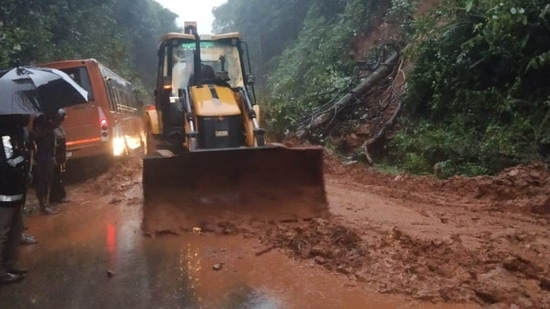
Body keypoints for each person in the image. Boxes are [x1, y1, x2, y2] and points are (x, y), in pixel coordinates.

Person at [0, 114, 32, 284]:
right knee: (3, 233)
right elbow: (7, 162)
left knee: (14, 231)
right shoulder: (4, 134)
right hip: (5, 191)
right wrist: (23, 158)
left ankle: (10, 264)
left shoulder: (15, 133)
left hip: (16, 189)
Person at [31, 112, 61, 215]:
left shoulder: (48, 121)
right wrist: (50, 127)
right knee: (42, 181)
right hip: (42, 157)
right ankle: (43, 205)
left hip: (49, 155)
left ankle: (46, 203)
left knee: (47, 180)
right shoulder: (40, 120)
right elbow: (37, 135)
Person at [49, 109, 68, 204]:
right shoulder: (52, 129)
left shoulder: (59, 127)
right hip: (54, 155)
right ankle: (56, 197)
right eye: (61, 117)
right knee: (55, 176)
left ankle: (58, 196)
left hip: (59, 155)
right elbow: (54, 144)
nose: (62, 119)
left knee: (58, 175)